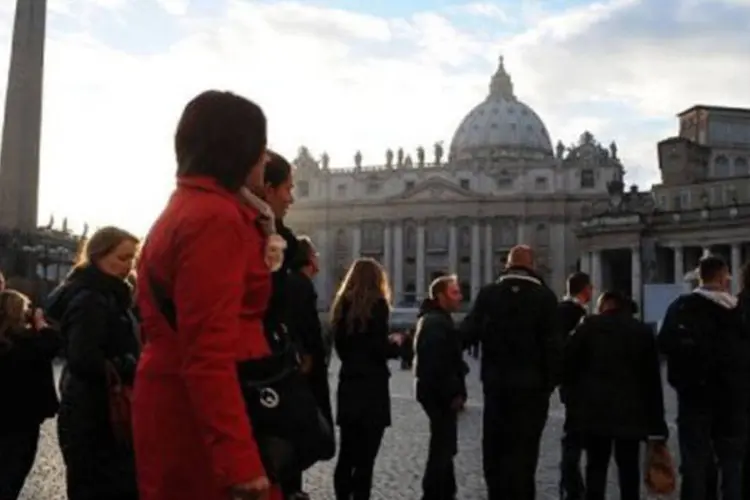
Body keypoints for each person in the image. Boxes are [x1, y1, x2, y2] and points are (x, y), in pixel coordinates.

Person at [131, 90, 283, 500]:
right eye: (261, 147)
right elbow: (207, 350)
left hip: (182, 396)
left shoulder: (187, 206)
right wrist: (240, 460)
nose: (265, 158)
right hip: (204, 414)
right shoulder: (215, 219)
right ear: (237, 149)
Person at [44, 226, 141, 500]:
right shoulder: (91, 299)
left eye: (132, 258)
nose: (129, 265)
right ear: (99, 255)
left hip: (97, 409)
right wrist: (131, 364)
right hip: (95, 413)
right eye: (123, 258)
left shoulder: (108, 294)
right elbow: (84, 358)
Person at [460, 245, 562, 500]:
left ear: (507, 265)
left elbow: (467, 334)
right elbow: (554, 347)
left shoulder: (489, 294)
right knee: (526, 453)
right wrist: (548, 385)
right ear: (533, 266)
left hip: (497, 387)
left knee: (495, 450)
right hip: (532, 389)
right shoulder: (546, 298)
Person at [658, 255, 750, 500]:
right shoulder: (739, 311)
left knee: (694, 462)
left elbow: (665, 344)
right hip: (733, 398)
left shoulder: (681, 307)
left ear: (700, 276)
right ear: (722, 277)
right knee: (732, 462)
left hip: (694, 396)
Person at [564, 291, 668, 500]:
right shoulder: (642, 332)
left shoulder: (588, 328)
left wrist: (573, 408)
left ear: (605, 305)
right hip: (632, 413)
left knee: (596, 467)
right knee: (629, 469)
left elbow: (568, 368)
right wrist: (657, 426)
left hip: (594, 413)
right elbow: (652, 382)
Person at [330, 258, 404, 500]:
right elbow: (378, 348)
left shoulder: (341, 306)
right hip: (372, 388)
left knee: (347, 454)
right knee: (366, 458)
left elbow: (341, 348)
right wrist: (395, 344)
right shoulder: (378, 305)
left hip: (348, 384)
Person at [0, 290, 61, 499]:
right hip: (24, 420)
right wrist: (40, 322)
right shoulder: (29, 342)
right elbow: (53, 342)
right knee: (14, 472)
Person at [413, 274, 465, 500]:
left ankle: (445, 490)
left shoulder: (437, 319)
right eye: (454, 293)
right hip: (439, 394)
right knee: (442, 446)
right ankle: (434, 493)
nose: (460, 297)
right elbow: (437, 364)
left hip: (435, 392)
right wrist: (453, 391)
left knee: (444, 444)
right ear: (441, 296)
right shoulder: (436, 322)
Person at [558, 272, 592, 500]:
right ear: (585, 289)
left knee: (573, 432)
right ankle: (572, 481)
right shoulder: (577, 314)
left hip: (568, 383)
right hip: (580, 382)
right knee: (576, 435)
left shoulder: (559, 310)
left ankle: (570, 479)